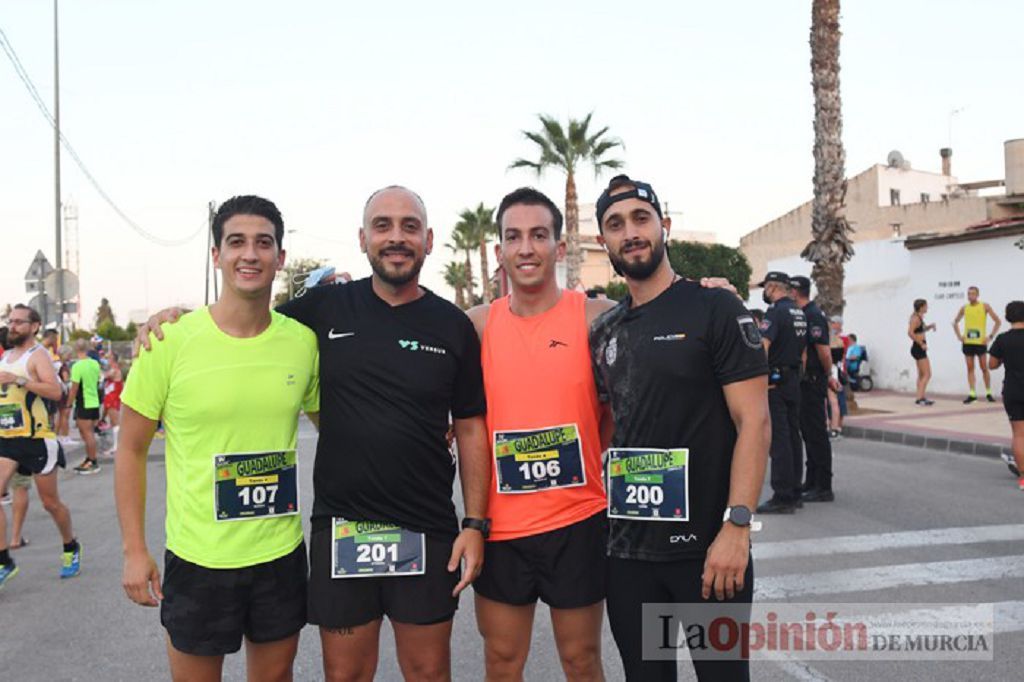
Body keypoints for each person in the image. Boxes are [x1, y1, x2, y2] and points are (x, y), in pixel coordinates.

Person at [138, 186, 492, 682]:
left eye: (409, 227)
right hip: (341, 530)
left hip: (425, 527)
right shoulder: (321, 311)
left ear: (429, 240)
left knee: (428, 672)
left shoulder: (452, 325)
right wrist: (173, 316)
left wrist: (475, 523)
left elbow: (473, 427)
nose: (396, 238)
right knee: (345, 676)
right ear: (363, 238)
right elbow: (245, 317)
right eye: (383, 226)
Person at [115, 195, 320, 681]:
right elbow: (130, 449)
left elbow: (341, 427)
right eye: (236, 242)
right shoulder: (169, 342)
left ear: (280, 258)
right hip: (198, 559)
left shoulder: (302, 343)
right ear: (216, 255)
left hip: (279, 556)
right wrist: (134, 550)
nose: (250, 254)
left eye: (263, 243)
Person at [589, 174, 770, 681]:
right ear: (604, 242)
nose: (630, 232)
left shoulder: (715, 307)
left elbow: (753, 420)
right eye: (615, 224)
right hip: (628, 556)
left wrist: (737, 527)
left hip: (710, 553)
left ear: (663, 225)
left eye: (640, 219)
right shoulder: (604, 331)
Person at [466, 187, 614, 681]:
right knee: (503, 663)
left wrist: (710, 292)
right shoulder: (476, 326)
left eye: (538, 235)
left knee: (581, 660)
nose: (526, 248)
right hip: (501, 529)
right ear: (499, 250)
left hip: (578, 521)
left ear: (561, 247)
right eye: (513, 237)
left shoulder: (596, 317)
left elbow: (618, 405)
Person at [0, 304, 81, 589]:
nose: (12, 327)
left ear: (34, 326)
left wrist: (20, 379)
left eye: (19, 322)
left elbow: (56, 391)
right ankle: (4, 561)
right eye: (10, 322)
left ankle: (70, 546)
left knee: (50, 503)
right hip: (8, 438)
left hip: (37, 439)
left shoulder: (39, 356)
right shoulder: (6, 356)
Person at [755, 271, 808, 514]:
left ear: (773, 287)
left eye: (765, 287)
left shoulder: (775, 312)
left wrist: (761, 379)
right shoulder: (799, 312)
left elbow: (764, 346)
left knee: (779, 439)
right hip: (794, 379)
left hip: (776, 381)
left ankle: (783, 496)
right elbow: (804, 350)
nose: (764, 292)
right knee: (794, 435)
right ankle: (796, 490)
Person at [789, 276, 838, 503]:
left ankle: (823, 485)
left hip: (814, 379)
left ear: (796, 292)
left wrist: (828, 376)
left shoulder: (813, 315)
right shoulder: (801, 315)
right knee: (807, 432)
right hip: (804, 381)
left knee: (817, 432)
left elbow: (824, 351)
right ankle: (811, 480)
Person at [988, 300, 1024, 491]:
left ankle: (1023, 479)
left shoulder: (1002, 339)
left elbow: (991, 365)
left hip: (1013, 390)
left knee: (1019, 434)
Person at [953, 286, 1002, 403]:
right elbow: (955, 322)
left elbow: (998, 321)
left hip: (980, 343)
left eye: (973, 294)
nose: (971, 296)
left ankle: (989, 392)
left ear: (977, 295)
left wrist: (990, 337)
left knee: (984, 368)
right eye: (969, 294)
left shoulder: (985, 306)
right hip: (968, 343)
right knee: (970, 368)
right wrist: (959, 336)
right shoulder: (964, 308)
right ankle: (972, 393)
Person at [68, 339, 102, 473]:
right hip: (94, 401)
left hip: (84, 402)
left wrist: (68, 404)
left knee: (87, 434)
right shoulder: (95, 363)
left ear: (76, 349)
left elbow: (74, 388)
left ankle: (93, 461)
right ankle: (89, 459)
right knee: (88, 433)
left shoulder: (77, 366)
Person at [909, 299, 936, 406]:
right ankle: (920, 399)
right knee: (927, 374)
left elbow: (921, 329)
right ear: (921, 307)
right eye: (926, 306)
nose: (927, 307)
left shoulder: (919, 317)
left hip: (918, 347)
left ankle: (920, 397)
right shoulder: (915, 318)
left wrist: (930, 326)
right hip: (918, 347)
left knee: (921, 375)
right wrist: (921, 343)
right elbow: (910, 333)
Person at [827, 315, 848, 437]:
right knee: (834, 401)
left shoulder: (828, 341)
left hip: (830, 370)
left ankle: (830, 426)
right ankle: (836, 427)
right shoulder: (840, 341)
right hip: (837, 369)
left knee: (830, 400)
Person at [100, 351, 124, 455]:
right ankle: (116, 445)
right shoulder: (113, 370)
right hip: (110, 397)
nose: (107, 359)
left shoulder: (114, 370)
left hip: (113, 398)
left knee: (115, 422)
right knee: (113, 422)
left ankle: (117, 446)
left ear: (112, 359)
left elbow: (103, 376)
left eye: (108, 357)